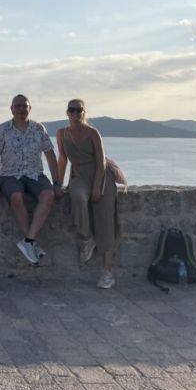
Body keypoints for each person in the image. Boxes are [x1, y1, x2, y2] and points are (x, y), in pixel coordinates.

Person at [0, 94, 63, 265]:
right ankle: (31, 243)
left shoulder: (38, 129)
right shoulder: (2, 129)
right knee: (16, 196)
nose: (21, 109)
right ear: (11, 109)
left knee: (48, 195)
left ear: (30, 108)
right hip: (9, 174)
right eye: (17, 106)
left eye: (24, 106)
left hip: (34, 174)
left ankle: (28, 241)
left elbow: (50, 156)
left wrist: (57, 183)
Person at [56, 99, 120, 289]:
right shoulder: (62, 133)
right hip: (79, 176)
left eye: (79, 110)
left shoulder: (93, 133)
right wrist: (58, 183)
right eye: (72, 109)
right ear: (67, 112)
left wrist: (97, 187)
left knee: (105, 221)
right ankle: (86, 237)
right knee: (77, 197)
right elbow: (62, 160)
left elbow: (101, 162)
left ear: (84, 112)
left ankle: (107, 273)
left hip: (100, 176)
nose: (75, 113)